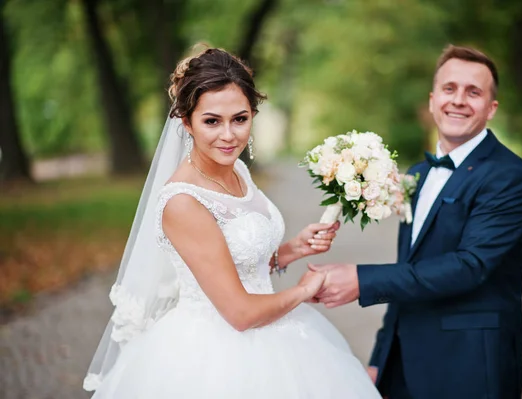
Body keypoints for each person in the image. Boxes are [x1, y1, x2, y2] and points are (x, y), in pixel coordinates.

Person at [83, 46, 381, 398]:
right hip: (216, 353)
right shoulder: (183, 202)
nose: (229, 135)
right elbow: (239, 312)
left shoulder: (235, 169)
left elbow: (236, 263)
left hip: (274, 330)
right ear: (186, 122)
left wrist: (291, 250)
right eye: (212, 121)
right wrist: (304, 289)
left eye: (240, 119)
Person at [309, 45, 522, 399]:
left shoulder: (509, 176)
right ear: (432, 101)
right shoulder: (418, 174)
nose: (458, 100)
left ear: (491, 108)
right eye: (449, 89)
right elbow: (410, 266)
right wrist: (381, 357)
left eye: (473, 92)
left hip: (469, 366)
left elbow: (470, 265)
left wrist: (361, 279)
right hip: (403, 364)